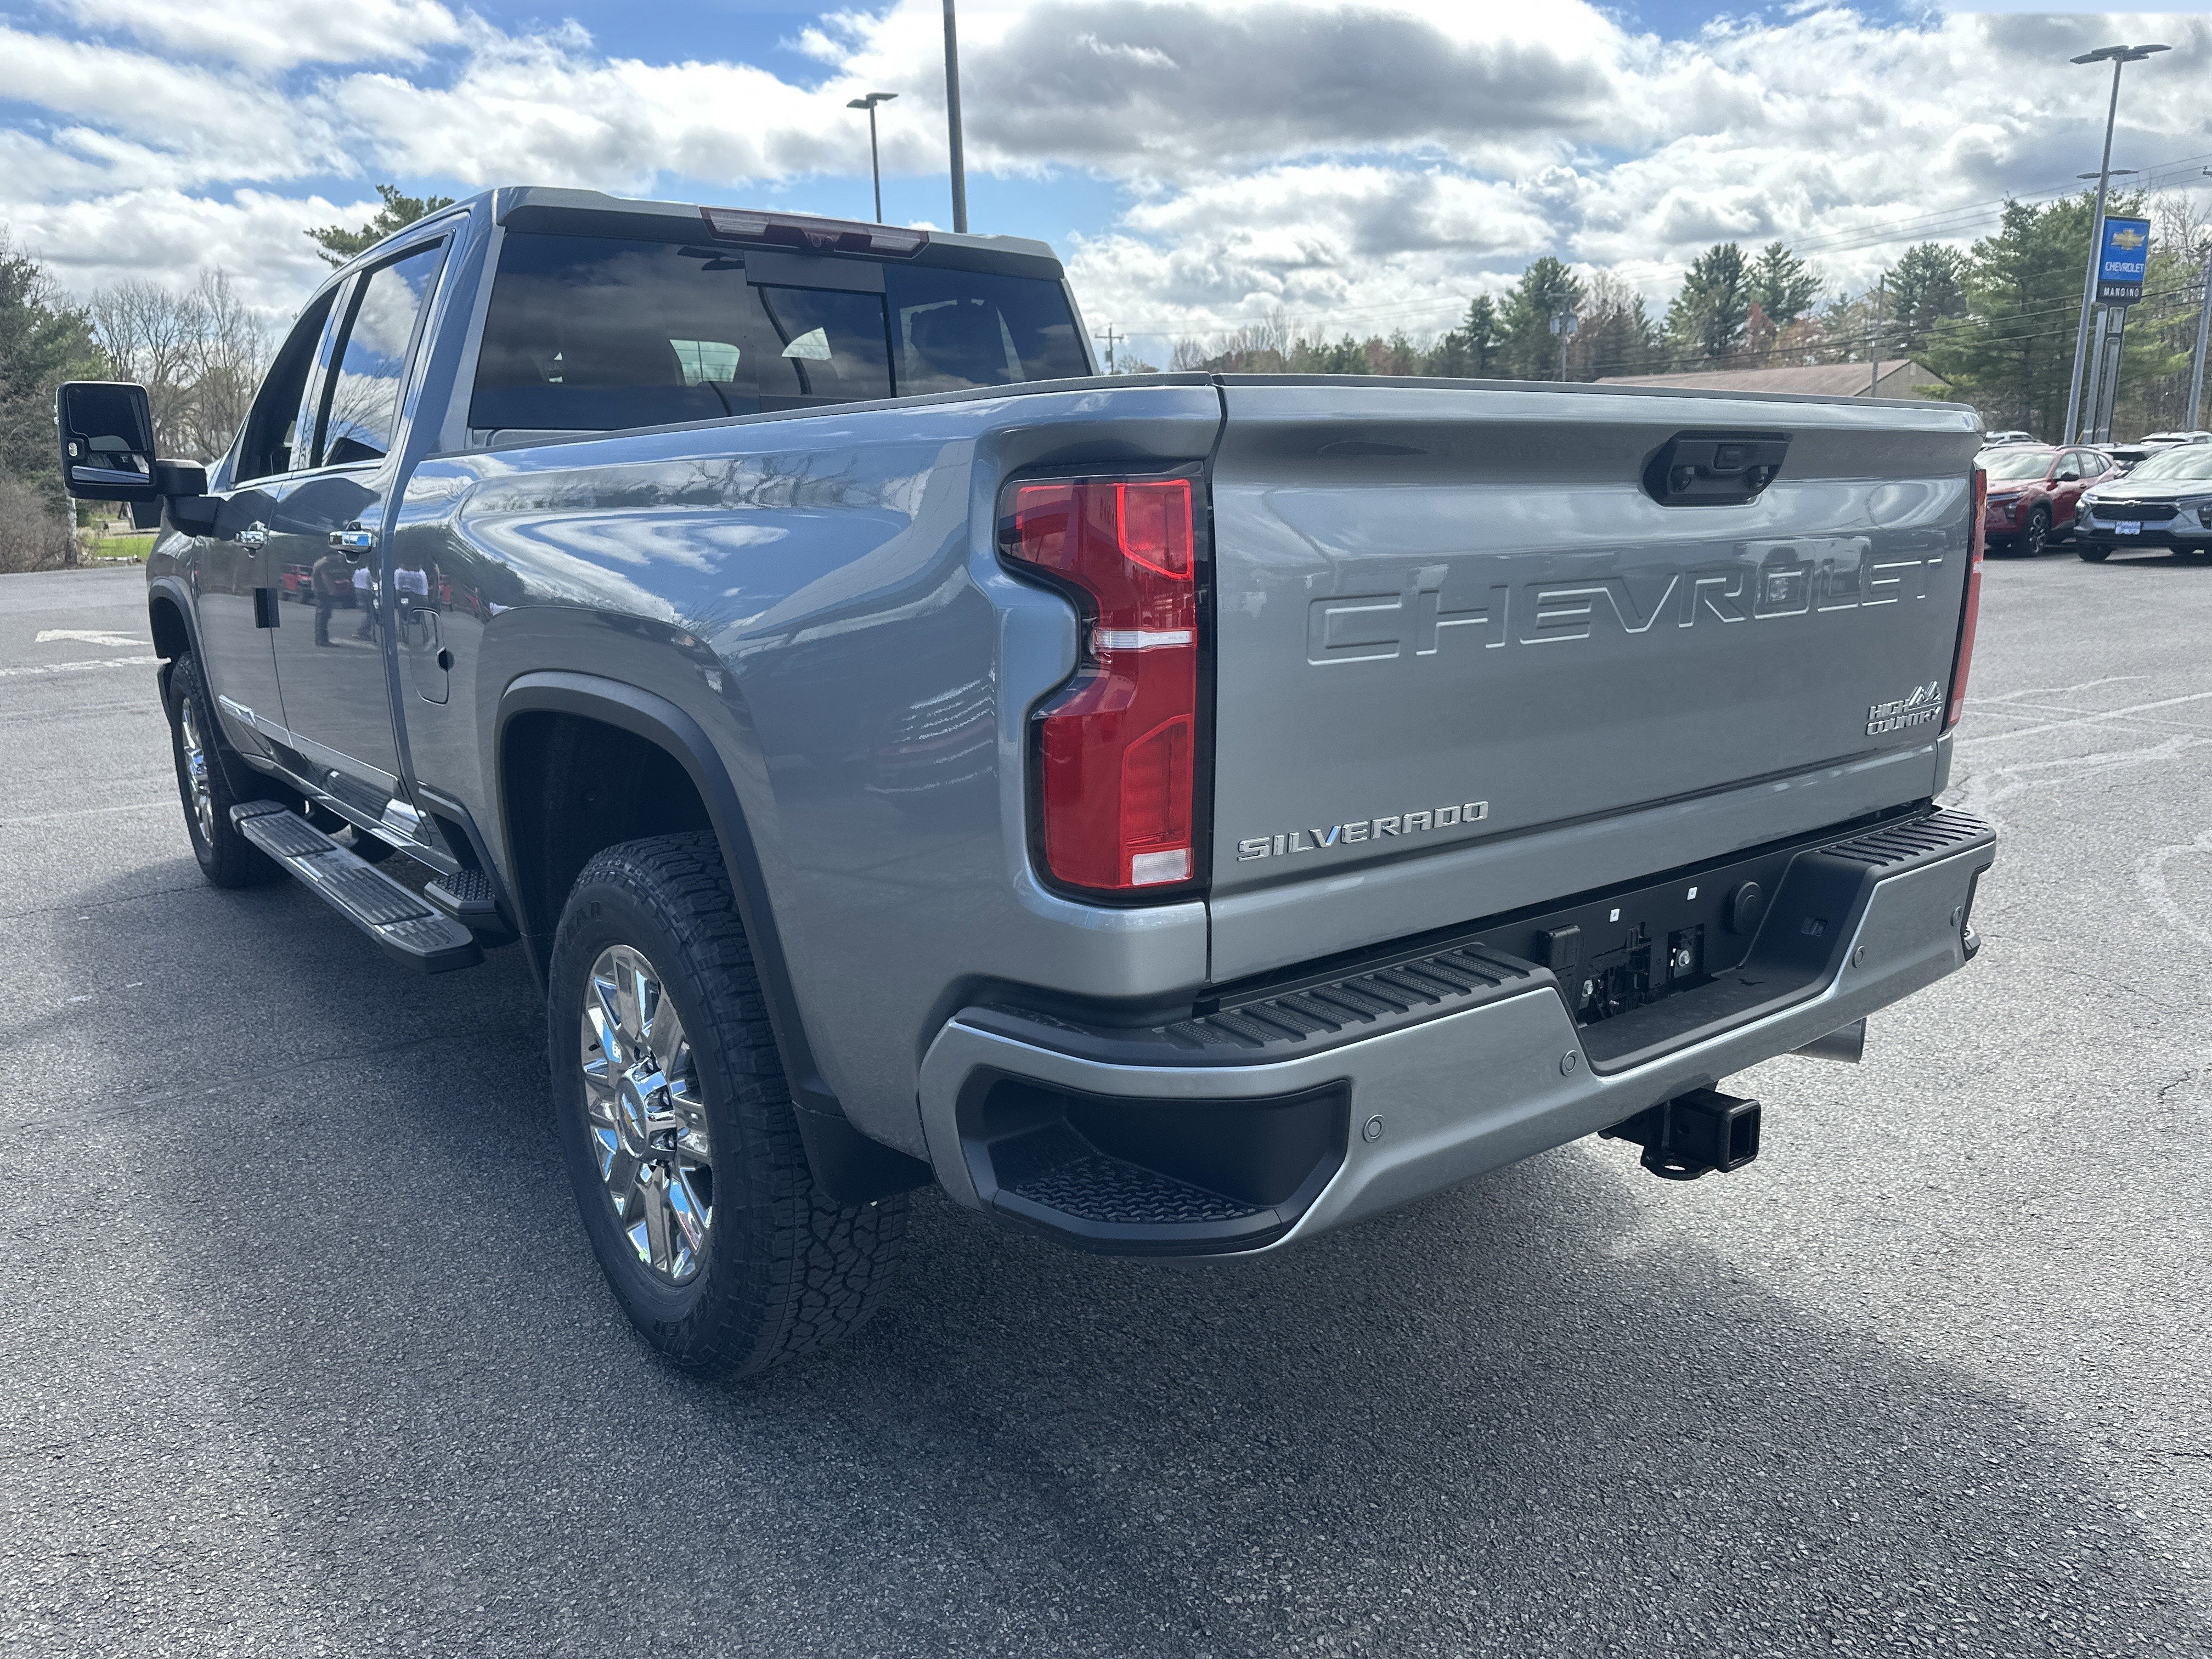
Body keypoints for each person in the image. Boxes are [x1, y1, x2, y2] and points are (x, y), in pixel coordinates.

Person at [310, 550, 348, 647]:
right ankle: (323, 640)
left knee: (321, 615)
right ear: (331, 555)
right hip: (323, 591)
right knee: (324, 615)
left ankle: (320, 639)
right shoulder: (326, 564)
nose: (339, 558)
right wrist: (332, 591)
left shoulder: (319, 562)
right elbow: (326, 578)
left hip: (318, 590)